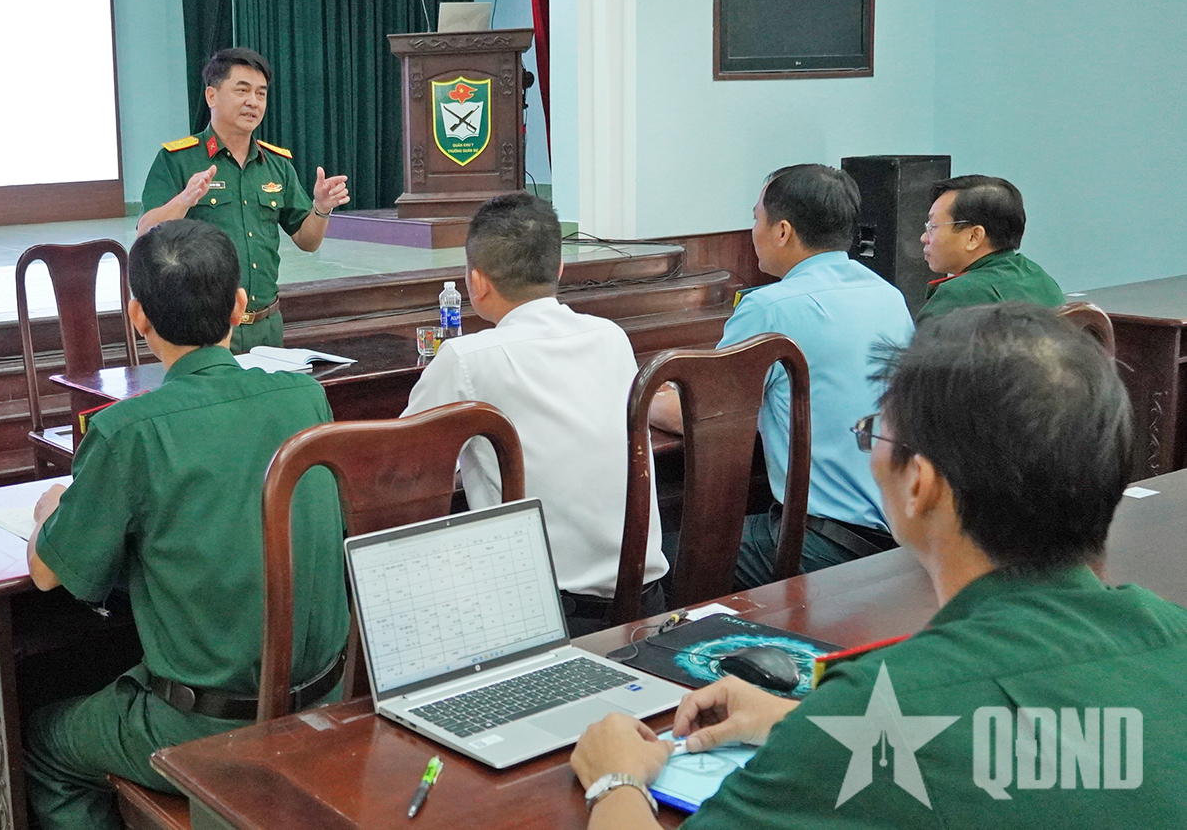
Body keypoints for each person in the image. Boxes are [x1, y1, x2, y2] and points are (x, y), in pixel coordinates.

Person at [571, 302, 1187, 827]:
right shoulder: (1170, 637)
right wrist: (804, 720)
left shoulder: (875, 714)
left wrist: (615, 779)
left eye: (874, 433)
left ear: (920, 484)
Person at [23, 218, 350, 830]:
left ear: (137, 317)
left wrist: (50, 513)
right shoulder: (304, 396)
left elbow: (47, 575)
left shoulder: (126, 431)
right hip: (327, 697)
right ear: (240, 307)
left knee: (44, 742)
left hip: (204, 728)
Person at [401, 192, 666, 634]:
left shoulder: (467, 358)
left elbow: (400, 469)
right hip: (644, 602)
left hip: (545, 617)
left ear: (476, 283)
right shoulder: (610, 336)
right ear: (559, 268)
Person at [650, 165, 913, 586]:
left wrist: (644, 397)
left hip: (823, 544)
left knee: (653, 562)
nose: (753, 230)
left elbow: (702, 418)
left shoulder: (771, 307)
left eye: (756, 218)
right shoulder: (888, 295)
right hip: (900, 536)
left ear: (783, 231)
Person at [136, 48, 351, 352]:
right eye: (242, 90)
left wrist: (322, 208)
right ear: (212, 96)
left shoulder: (276, 164)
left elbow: (308, 241)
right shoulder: (178, 160)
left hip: (267, 326)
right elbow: (145, 231)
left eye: (261, 93)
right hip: (205, 329)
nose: (253, 102)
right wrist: (185, 199)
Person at [917, 175, 1063, 320]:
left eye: (933, 226)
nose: (924, 238)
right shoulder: (1039, 277)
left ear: (974, 237)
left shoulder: (959, 295)